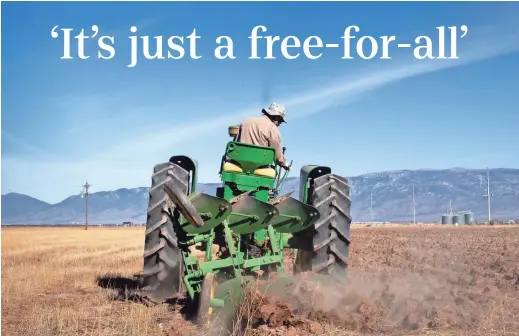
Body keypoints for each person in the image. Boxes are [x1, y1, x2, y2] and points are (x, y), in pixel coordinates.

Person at [237, 102, 290, 170]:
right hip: (260, 167)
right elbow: (277, 155)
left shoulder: (246, 121)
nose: (279, 124)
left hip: (239, 163)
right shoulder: (272, 128)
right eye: (281, 121)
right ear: (277, 117)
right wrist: (284, 164)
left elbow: (236, 142)